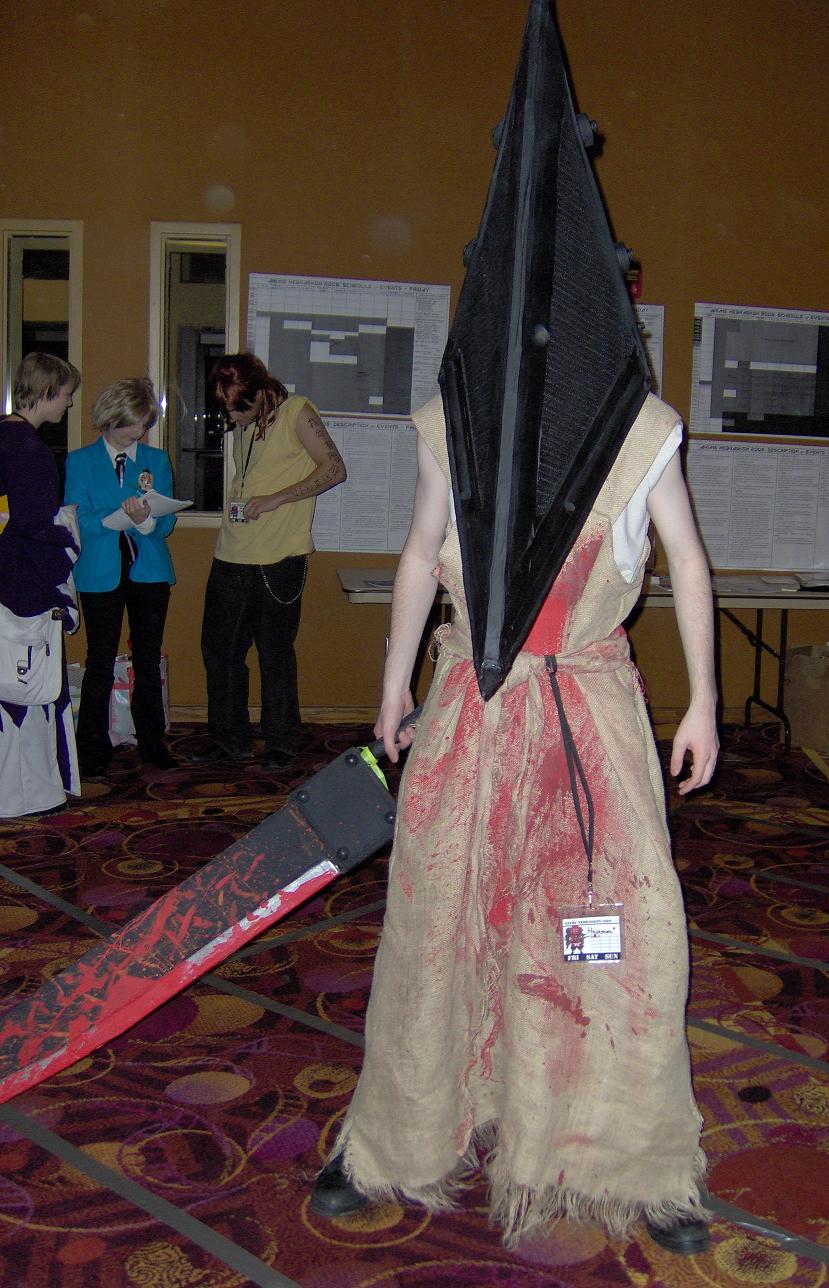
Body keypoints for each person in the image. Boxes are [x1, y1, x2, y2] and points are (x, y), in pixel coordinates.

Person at [312, 392, 720, 1254]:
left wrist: (704, 703)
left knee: (615, 933)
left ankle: (636, 1160)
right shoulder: (454, 418)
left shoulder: (642, 427)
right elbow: (422, 551)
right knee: (438, 922)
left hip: (586, 717)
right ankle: (400, 1134)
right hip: (472, 709)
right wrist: (393, 686)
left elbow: (685, 555)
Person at [191, 353, 346, 770]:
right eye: (225, 410)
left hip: (278, 559)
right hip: (230, 553)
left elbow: (335, 469)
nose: (232, 418)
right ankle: (230, 740)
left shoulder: (297, 411)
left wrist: (279, 498)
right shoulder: (245, 424)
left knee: (274, 654)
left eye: (237, 409)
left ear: (260, 392)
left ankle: (281, 741)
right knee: (219, 652)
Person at [65, 378, 177, 777]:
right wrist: (119, 516)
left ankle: (152, 744)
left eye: (145, 423)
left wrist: (146, 522)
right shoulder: (79, 461)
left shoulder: (156, 460)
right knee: (99, 660)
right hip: (100, 571)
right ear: (111, 419)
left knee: (147, 658)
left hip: (148, 570)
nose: (140, 432)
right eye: (134, 423)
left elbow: (167, 522)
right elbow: (75, 519)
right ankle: (92, 749)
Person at [0, 352, 81, 816]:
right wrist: (67, 539)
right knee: (28, 684)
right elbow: (34, 524)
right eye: (66, 394)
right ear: (48, 391)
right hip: (22, 583)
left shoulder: (4, 435)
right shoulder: (28, 450)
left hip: (6, 576)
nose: (69, 403)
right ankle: (29, 793)